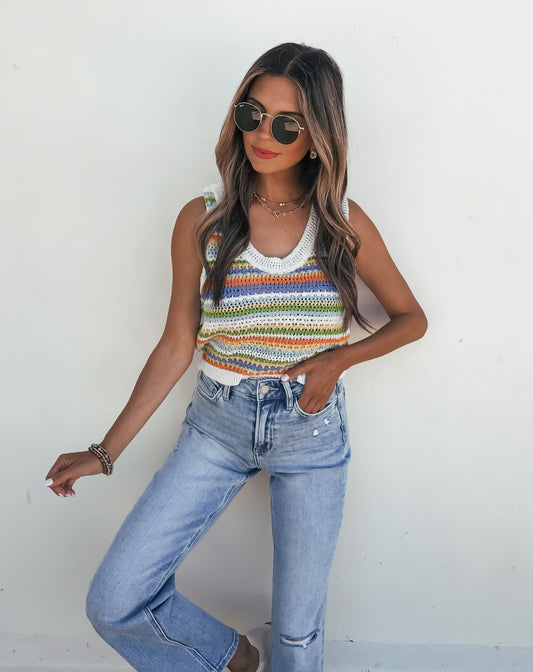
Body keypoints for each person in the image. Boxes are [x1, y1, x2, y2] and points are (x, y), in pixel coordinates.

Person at [45, 42, 427, 672]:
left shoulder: (339, 221)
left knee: (301, 641)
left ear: (318, 137)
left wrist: (336, 361)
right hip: (216, 424)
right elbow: (177, 342)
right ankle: (235, 659)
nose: (264, 135)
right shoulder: (203, 218)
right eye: (253, 114)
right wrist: (104, 452)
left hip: (310, 434)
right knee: (115, 600)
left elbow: (411, 320)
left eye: (288, 124)